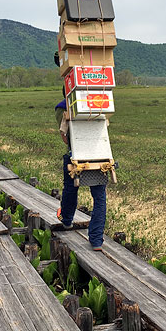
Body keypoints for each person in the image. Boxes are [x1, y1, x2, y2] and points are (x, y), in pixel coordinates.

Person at [55, 87, 107, 251]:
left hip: (76, 156)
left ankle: (67, 220)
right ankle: (97, 240)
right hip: (99, 155)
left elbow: (64, 136)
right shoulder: (101, 103)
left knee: (70, 187)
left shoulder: (63, 107)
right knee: (99, 196)